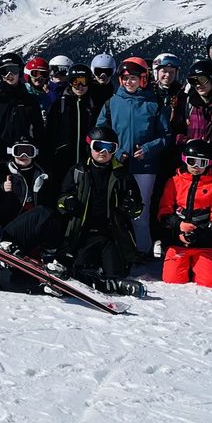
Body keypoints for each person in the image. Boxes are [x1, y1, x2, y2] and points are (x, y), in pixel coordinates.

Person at [54, 126, 145, 296]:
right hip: (83, 232)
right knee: (80, 267)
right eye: (98, 146)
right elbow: (60, 200)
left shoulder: (122, 175)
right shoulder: (78, 171)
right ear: (90, 146)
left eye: (109, 148)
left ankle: (110, 279)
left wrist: (132, 207)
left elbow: (137, 209)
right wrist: (67, 203)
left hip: (110, 234)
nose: (103, 152)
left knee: (116, 272)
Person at [97, 57, 170, 257]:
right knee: (114, 209)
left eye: (134, 78)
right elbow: (100, 132)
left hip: (144, 166)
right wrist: (117, 151)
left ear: (143, 79)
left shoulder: (153, 104)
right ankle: (117, 250)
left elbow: (166, 136)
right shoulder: (112, 103)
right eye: (125, 78)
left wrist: (148, 148)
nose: (129, 82)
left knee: (141, 211)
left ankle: (142, 250)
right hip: (117, 164)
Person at [155, 140, 212, 288]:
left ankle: (200, 266)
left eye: (202, 163)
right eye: (192, 161)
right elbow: (164, 212)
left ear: (209, 164)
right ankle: (182, 265)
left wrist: (201, 234)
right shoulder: (174, 182)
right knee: (172, 280)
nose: (196, 167)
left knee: (210, 283)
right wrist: (179, 225)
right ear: (184, 160)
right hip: (177, 243)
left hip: (203, 244)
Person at [0, 52, 46, 185]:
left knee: (20, 193)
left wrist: (38, 154)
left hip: (22, 156)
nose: (9, 75)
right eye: (4, 71)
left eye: (13, 70)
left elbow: (39, 130)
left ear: (20, 71)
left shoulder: (29, 99)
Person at [46, 64, 98, 188]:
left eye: (83, 82)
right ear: (70, 82)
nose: (79, 86)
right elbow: (49, 133)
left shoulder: (93, 105)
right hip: (62, 159)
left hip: (86, 159)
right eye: (75, 82)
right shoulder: (60, 105)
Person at [0, 139, 55, 224]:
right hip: (11, 222)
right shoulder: (3, 173)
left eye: (28, 152)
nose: (24, 155)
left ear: (35, 153)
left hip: (35, 221)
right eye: (18, 151)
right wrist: (2, 188)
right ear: (12, 152)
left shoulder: (43, 175)